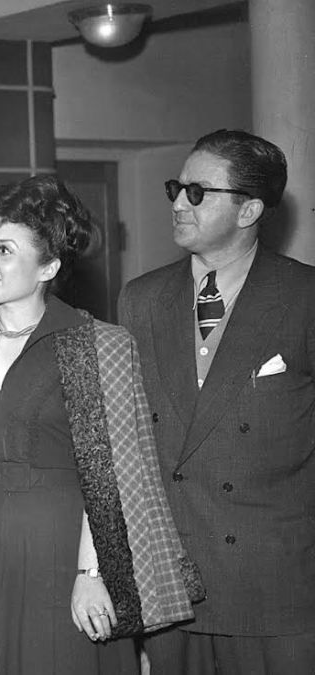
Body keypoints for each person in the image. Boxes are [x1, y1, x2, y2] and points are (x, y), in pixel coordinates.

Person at [0, 175, 201, 674]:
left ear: (48, 267)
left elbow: (110, 475)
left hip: (63, 542)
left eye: (5, 250)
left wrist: (91, 572)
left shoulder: (96, 342)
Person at [120, 129, 315, 674]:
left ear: (249, 209)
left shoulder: (304, 297)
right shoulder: (141, 298)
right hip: (173, 582)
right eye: (176, 189)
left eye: (198, 193)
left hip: (276, 585)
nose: (179, 204)